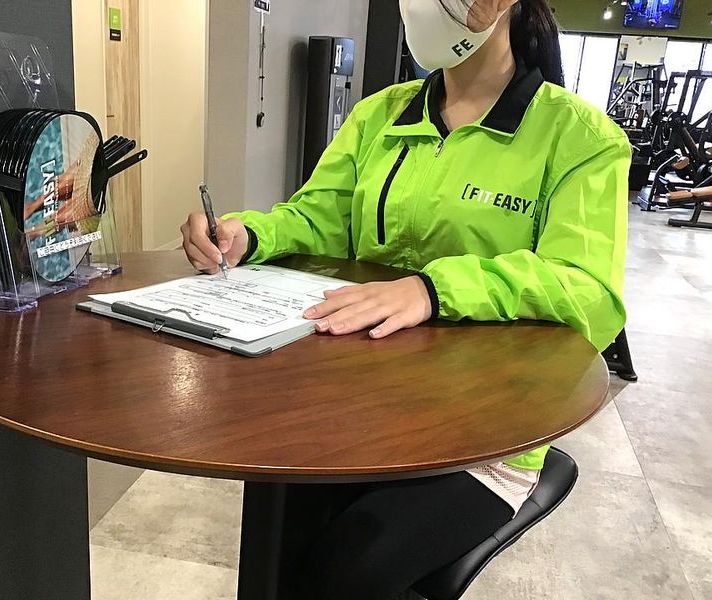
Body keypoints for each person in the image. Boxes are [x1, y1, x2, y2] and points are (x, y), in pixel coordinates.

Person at [181, 0, 629, 597]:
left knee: (350, 570)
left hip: (483, 432)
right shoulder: (380, 115)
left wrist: (432, 290)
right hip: (357, 403)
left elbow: (588, 289)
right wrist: (251, 234)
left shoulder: (579, 137)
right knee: (275, 544)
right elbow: (320, 217)